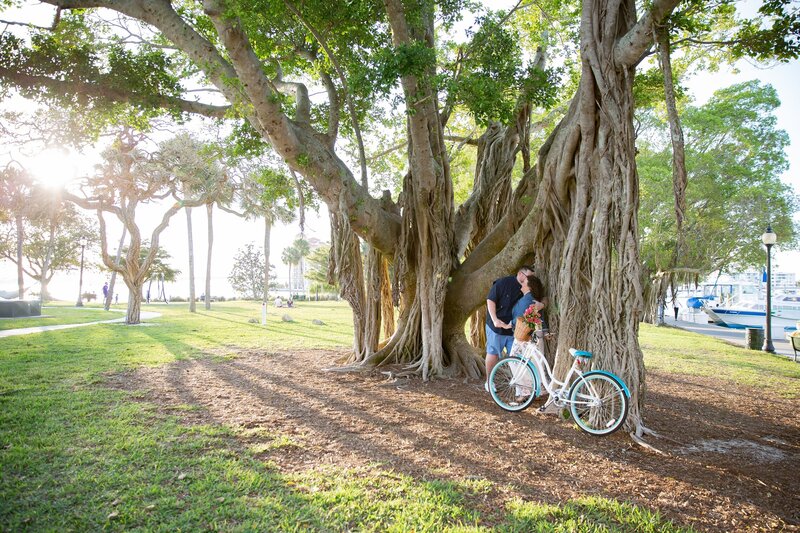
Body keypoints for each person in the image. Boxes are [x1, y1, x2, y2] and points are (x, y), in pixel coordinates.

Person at [484, 265, 534, 392]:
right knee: (493, 353)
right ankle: (489, 382)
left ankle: (520, 387)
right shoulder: (503, 283)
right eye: (529, 277)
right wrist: (495, 320)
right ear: (521, 274)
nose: (531, 280)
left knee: (516, 357)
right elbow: (490, 300)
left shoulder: (527, 289)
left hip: (515, 329)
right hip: (496, 327)